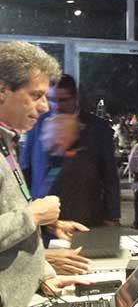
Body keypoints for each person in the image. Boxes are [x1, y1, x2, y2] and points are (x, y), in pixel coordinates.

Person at [0, 41, 88, 307]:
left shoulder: (7, 142)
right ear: (2, 90)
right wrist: (33, 215)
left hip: (24, 302)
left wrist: (42, 276)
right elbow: (23, 217)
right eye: (36, 95)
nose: (44, 106)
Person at [20, 74, 121, 228]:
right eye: (52, 100)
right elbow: (26, 168)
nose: (56, 106)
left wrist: (112, 215)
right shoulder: (36, 123)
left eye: (63, 100)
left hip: (84, 215)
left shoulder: (98, 128)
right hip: (41, 216)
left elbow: (110, 175)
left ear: (75, 98)